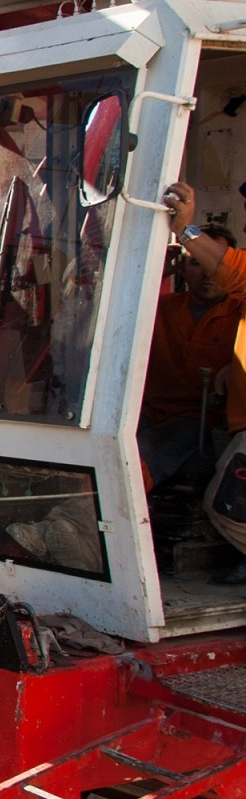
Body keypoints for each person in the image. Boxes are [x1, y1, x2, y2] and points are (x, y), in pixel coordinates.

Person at [163, 185, 246, 578]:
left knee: (227, 506)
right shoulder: (166, 311)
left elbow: (232, 270)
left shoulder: (236, 283)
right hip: (228, 423)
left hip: (215, 426)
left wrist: (186, 230)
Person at [138, 240, 241, 487]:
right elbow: (118, 310)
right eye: (196, 262)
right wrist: (155, 272)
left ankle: (73, 521)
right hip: (150, 410)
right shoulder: (161, 307)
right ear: (182, 266)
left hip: (203, 418)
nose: (208, 273)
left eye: (215, 263)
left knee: (144, 451)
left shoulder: (241, 315)